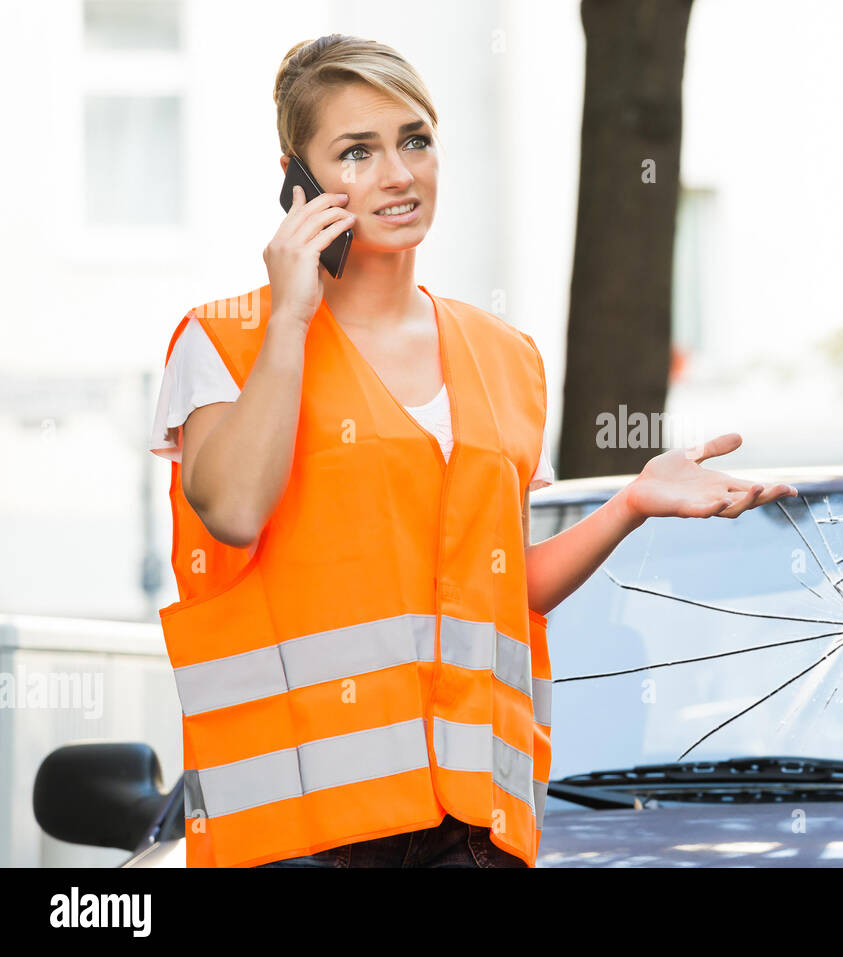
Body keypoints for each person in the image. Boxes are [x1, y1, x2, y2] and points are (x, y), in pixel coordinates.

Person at [149, 34, 797, 869]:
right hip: (299, 835)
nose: (397, 173)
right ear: (296, 179)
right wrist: (289, 317)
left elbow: (503, 588)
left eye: (415, 139)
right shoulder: (228, 340)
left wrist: (630, 504)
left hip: (471, 827)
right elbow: (233, 511)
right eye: (356, 151)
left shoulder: (504, 355)